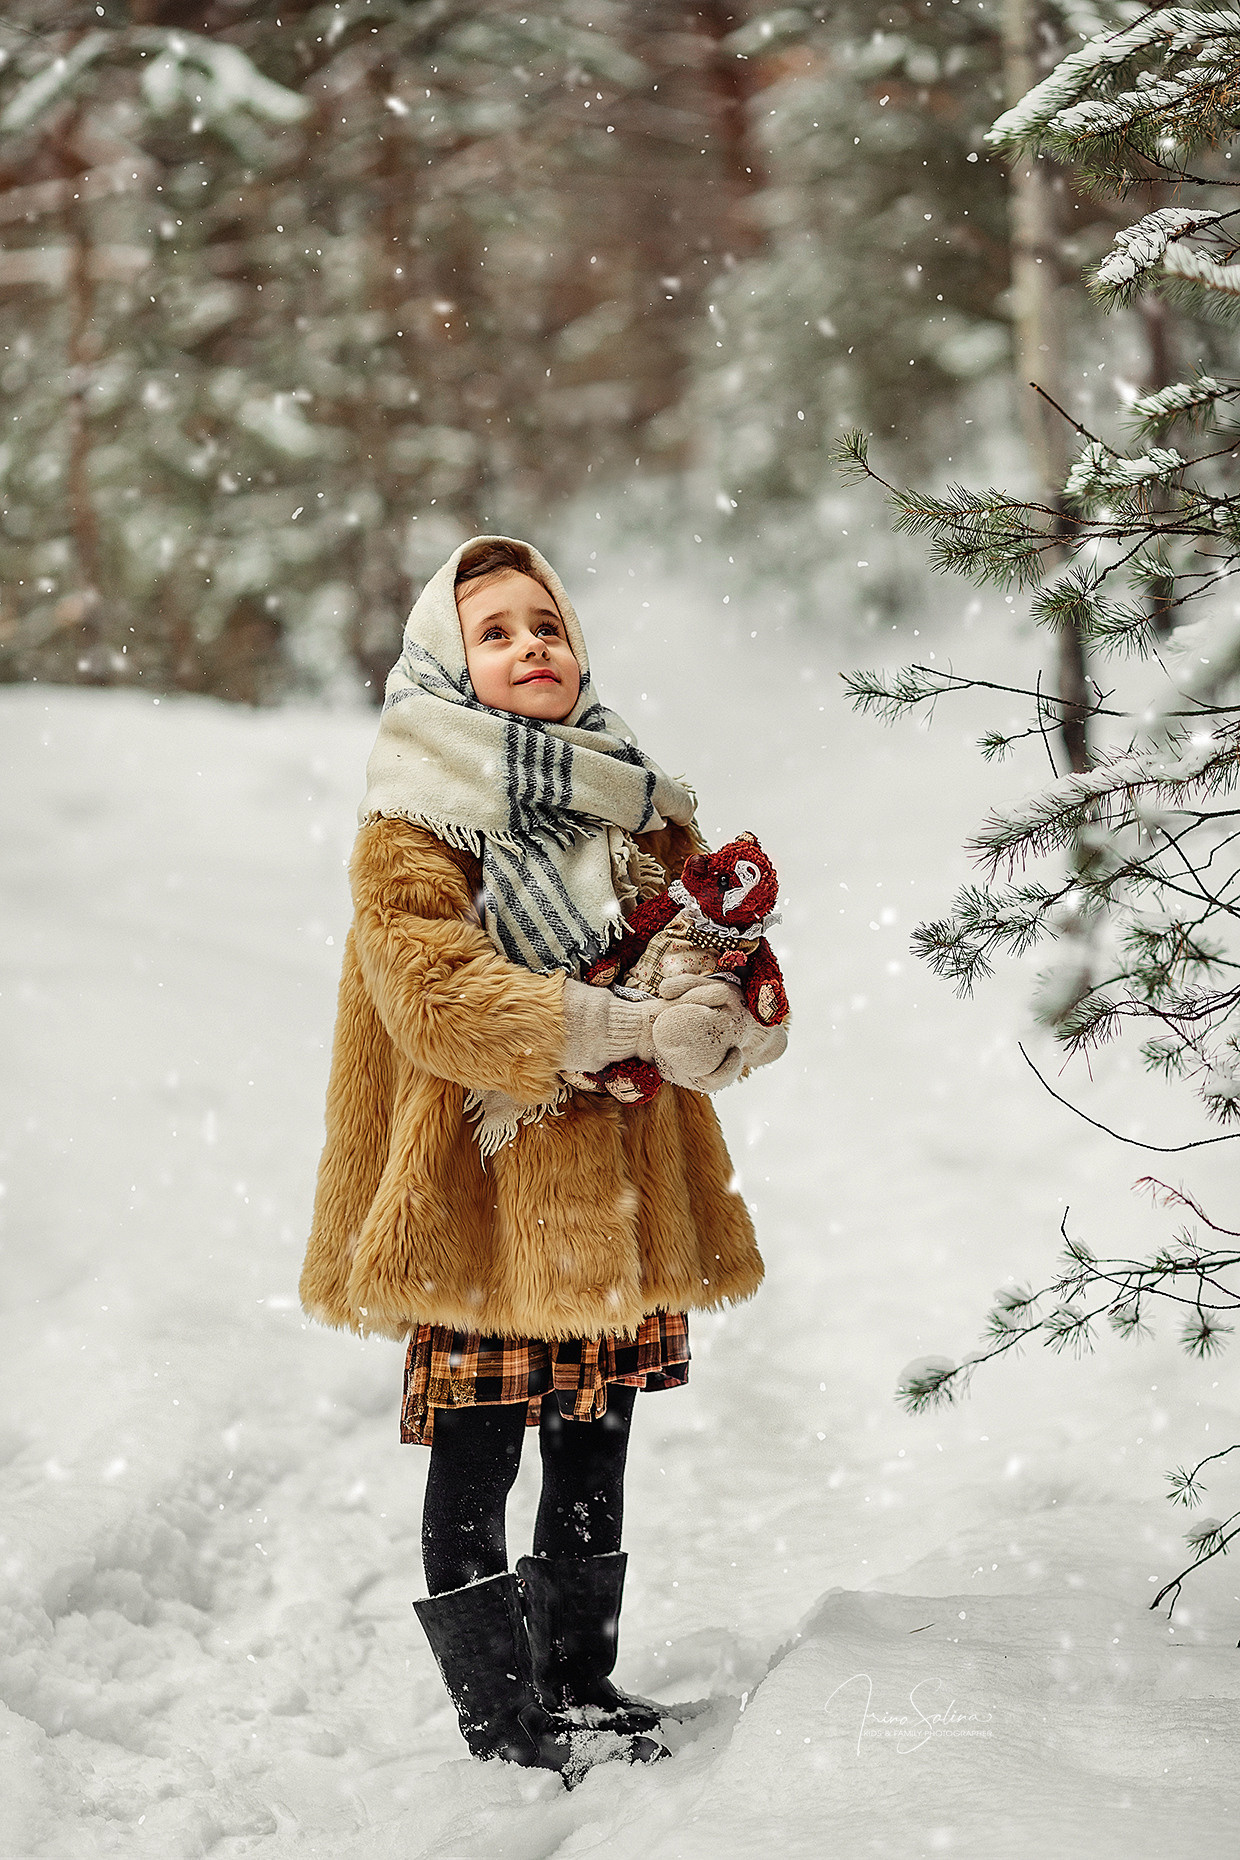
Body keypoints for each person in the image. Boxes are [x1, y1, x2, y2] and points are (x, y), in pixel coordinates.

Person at [299, 536, 788, 1778]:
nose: (531, 646)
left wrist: (727, 1011)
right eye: (497, 632)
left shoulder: (631, 797)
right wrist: (613, 1026)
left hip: (615, 1180)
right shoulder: (416, 814)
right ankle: (502, 1716)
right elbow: (434, 996)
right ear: (445, 662)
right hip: (481, 1187)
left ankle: (578, 1677)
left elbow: (690, 956)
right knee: (479, 1447)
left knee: (593, 1432)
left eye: (547, 625)